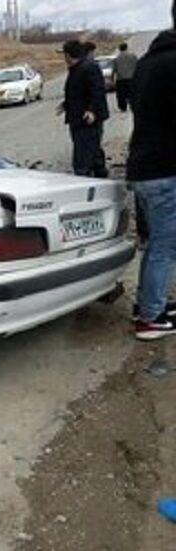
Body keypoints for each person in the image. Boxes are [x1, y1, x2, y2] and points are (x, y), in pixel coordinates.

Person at [129, 2, 176, 340]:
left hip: (144, 167)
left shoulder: (148, 61)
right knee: (165, 244)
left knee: (155, 243)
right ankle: (150, 316)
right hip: (164, 169)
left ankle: (148, 304)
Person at [58, 40, 110, 178]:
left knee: (82, 156)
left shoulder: (89, 67)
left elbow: (97, 90)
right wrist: (66, 104)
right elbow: (78, 92)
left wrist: (92, 110)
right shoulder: (76, 69)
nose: (64, 58)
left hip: (87, 120)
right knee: (93, 149)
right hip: (78, 118)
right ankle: (100, 176)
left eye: (64, 55)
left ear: (68, 55)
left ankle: (84, 181)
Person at [113, 42, 138, 112]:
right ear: (127, 47)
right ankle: (133, 105)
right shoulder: (133, 56)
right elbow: (137, 66)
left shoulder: (117, 58)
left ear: (119, 49)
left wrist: (112, 79)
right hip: (131, 78)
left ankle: (123, 107)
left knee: (121, 95)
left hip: (120, 79)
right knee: (132, 93)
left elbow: (114, 69)